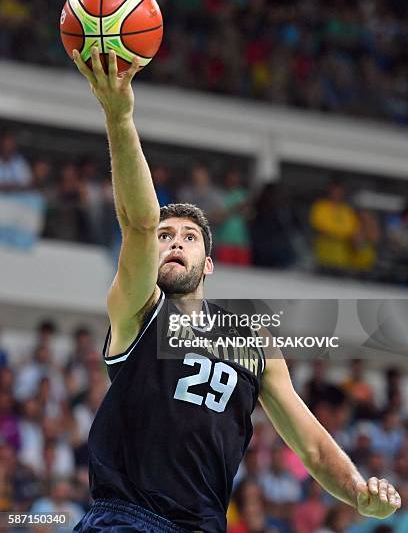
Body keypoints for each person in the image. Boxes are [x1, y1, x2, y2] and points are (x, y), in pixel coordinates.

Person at [71, 47, 401, 532]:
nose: (174, 243)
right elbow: (138, 223)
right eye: (165, 237)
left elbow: (310, 444)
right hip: (127, 519)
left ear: (209, 264)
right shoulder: (140, 310)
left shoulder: (252, 341)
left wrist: (356, 491)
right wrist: (120, 118)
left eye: (188, 237)